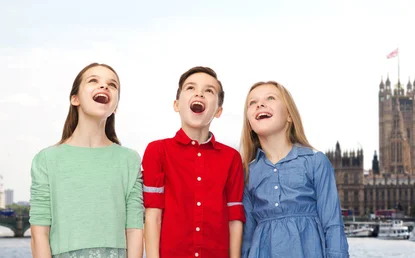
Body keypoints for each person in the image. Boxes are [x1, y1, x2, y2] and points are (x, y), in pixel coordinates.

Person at [29, 63, 144, 258]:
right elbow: (39, 234)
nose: (104, 87)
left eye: (112, 84)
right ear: (75, 99)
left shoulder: (129, 160)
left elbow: (134, 230)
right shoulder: (46, 160)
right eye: (93, 81)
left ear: (115, 106)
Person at [142, 66, 245, 258]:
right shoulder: (157, 151)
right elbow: (153, 215)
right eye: (190, 88)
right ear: (176, 104)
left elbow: (235, 217)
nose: (199, 93)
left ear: (218, 111)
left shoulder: (231, 158)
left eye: (209, 91)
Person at [240, 81, 349, 258]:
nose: (260, 104)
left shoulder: (315, 162)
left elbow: (333, 224)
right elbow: (247, 237)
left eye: (270, 98)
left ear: (289, 115)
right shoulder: (247, 173)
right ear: (250, 123)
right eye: (252, 102)